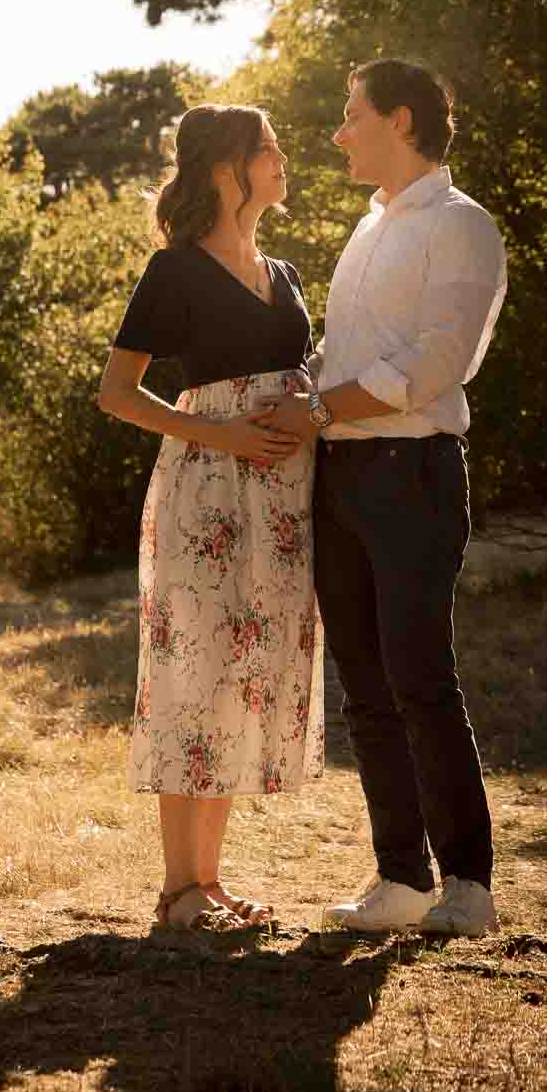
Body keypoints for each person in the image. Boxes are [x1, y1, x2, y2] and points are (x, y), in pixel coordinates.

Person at [264, 59, 507, 938]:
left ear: (400, 120)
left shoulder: (462, 226)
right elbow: (352, 354)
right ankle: (400, 878)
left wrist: (323, 403)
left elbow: (437, 364)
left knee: (418, 678)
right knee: (365, 685)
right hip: (342, 478)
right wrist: (304, 385)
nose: (337, 133)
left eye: (351, 115)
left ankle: (468, 887)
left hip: (414, 477)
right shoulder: (367, 229)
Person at [98, 103, 325, 932]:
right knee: (194, 673)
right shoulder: (176, 272)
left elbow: (299, 369)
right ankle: (177, 891)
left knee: (245, 676)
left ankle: (211, 882)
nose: (284, 158)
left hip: (284, 501)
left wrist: (308, 394)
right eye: (271, 148)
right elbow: (116, 394)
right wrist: (219, 431)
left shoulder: (287, 273)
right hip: (207, 492)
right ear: (230, 167)